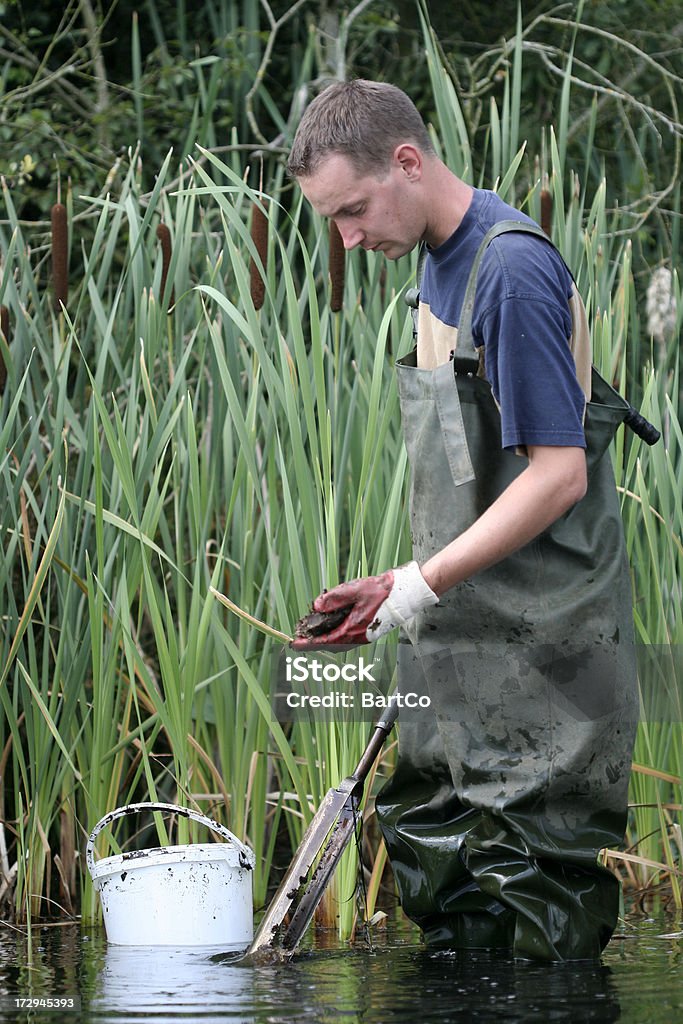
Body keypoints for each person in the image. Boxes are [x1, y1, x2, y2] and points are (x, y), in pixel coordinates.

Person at [288, 79, 639, 961]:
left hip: (544, 640)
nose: (347, 238)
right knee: (440, 854)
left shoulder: (509, 270)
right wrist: (398, 587)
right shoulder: (436, 257)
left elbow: (557, 478)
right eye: (333, 219)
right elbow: (467, 470)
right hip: (462, 630)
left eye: (353, 209)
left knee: (537, 900)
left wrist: (420, 582)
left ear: (408, 161)